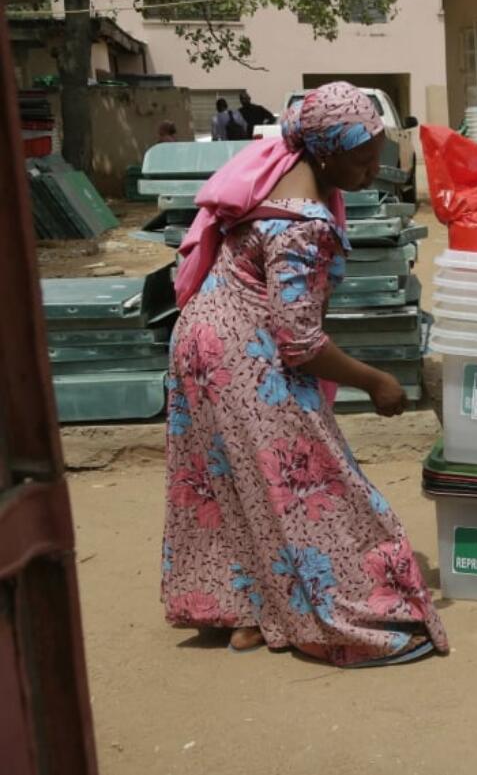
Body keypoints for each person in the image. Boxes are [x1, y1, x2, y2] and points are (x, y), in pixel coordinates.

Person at [162, 81, 447, 667]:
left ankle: (249, 611)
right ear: (324, 152)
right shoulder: (304, 226)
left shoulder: (277, 173)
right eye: (361, 158)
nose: (374, 169)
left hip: (201, 337)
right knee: (309, 486)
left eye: (378, 154)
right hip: (239, 355)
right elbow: (300, 342)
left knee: (231, 481)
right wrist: (376, 381)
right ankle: (338, 616)